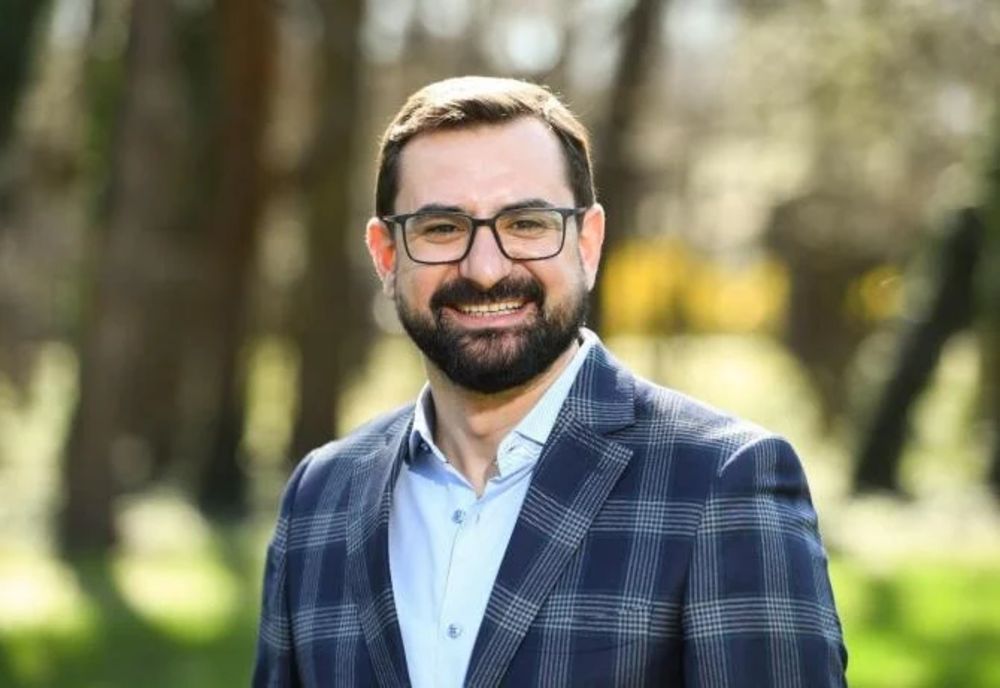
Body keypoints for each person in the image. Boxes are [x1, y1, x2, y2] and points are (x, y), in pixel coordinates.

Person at [253, 76, 847, 687]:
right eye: (442, 229)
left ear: (587, 243)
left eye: (527, 223)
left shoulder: (722, 480)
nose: (486, 269)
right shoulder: (320, 497)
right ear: (386, 254)